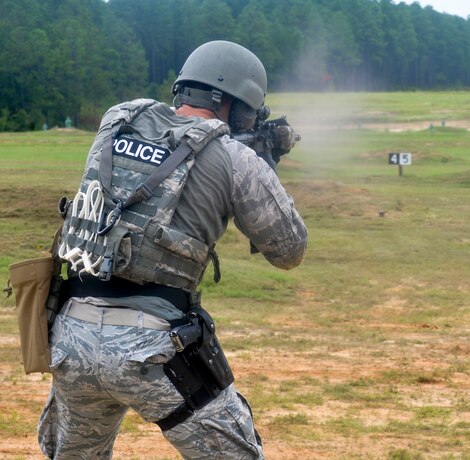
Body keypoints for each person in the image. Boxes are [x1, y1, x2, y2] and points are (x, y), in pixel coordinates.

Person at [38, 40, 307, 459]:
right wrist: (261, 165)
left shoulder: (117, 122)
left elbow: (163, 156)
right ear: (233, 104)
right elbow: (288, 250)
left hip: (71, 336)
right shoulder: (236, 158)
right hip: (154, 347)